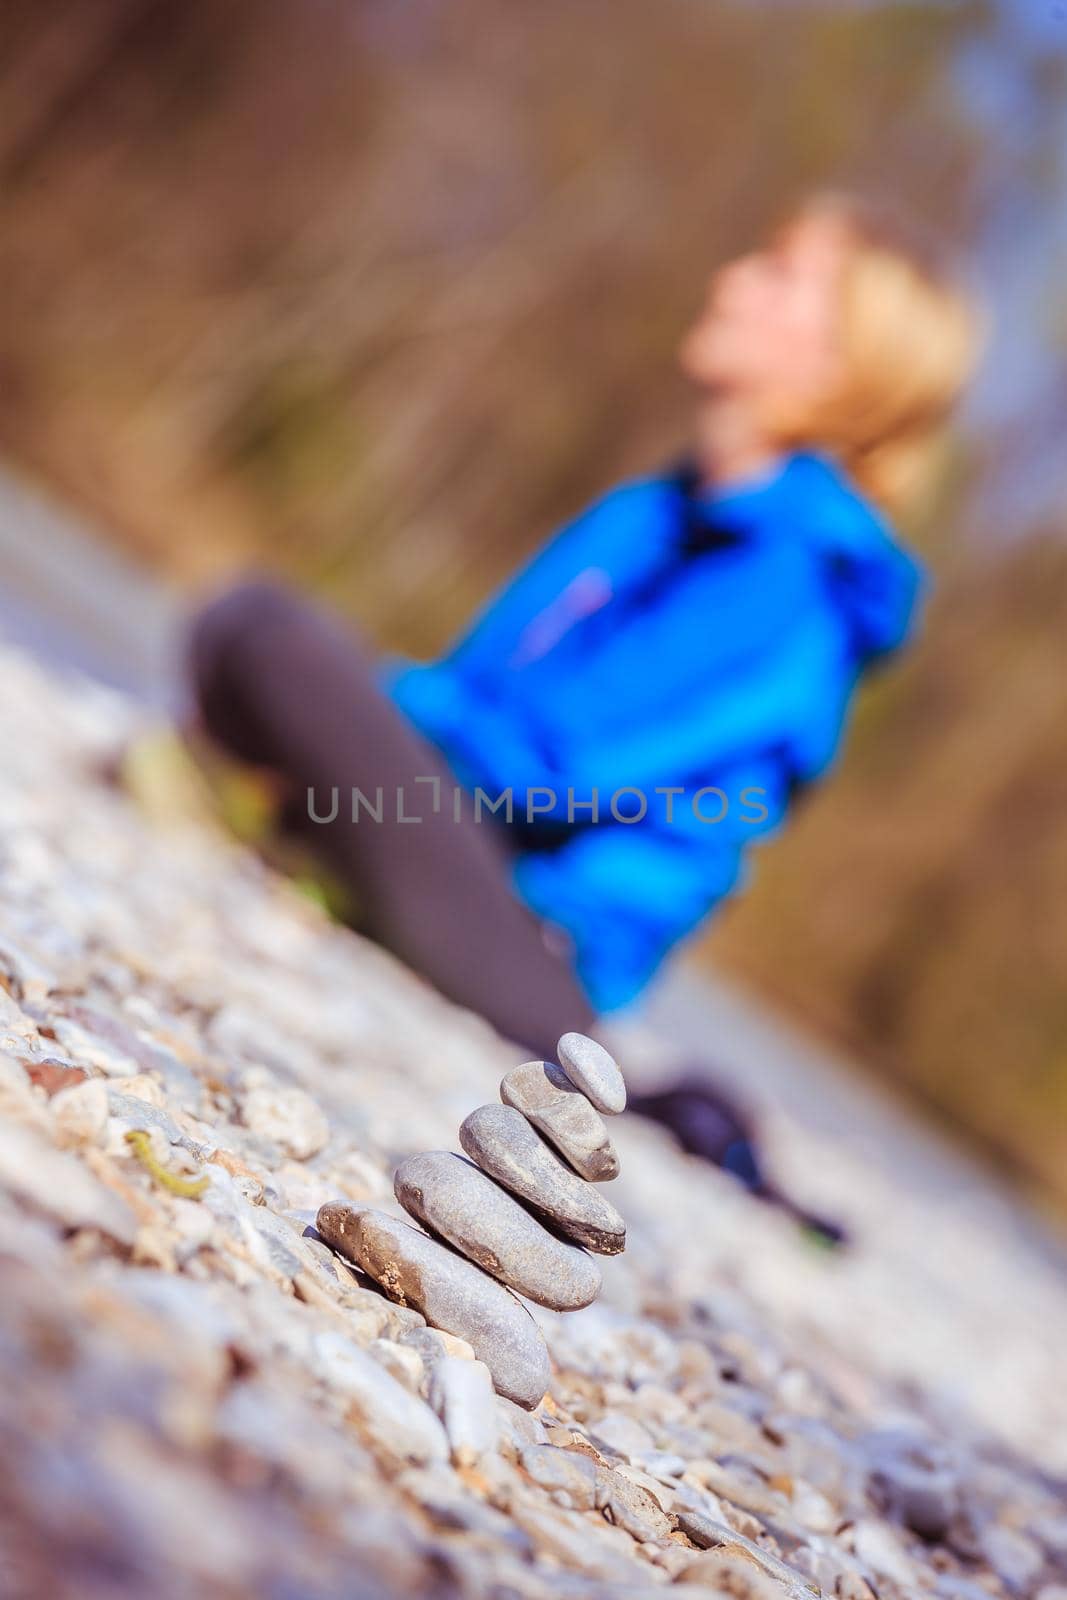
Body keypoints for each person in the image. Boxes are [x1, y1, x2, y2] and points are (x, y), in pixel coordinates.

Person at [189, 193, 981, 1232]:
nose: (732, 278)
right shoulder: (656, 513)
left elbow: (548, 773)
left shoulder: (790, 584)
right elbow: (486, 700)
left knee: (268, 635)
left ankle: (295, 818)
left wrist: (373, 703)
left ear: (845, 366)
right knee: (256, 638)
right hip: (464, 843)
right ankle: (298, 821)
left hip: (531, 950)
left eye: (778, 274)